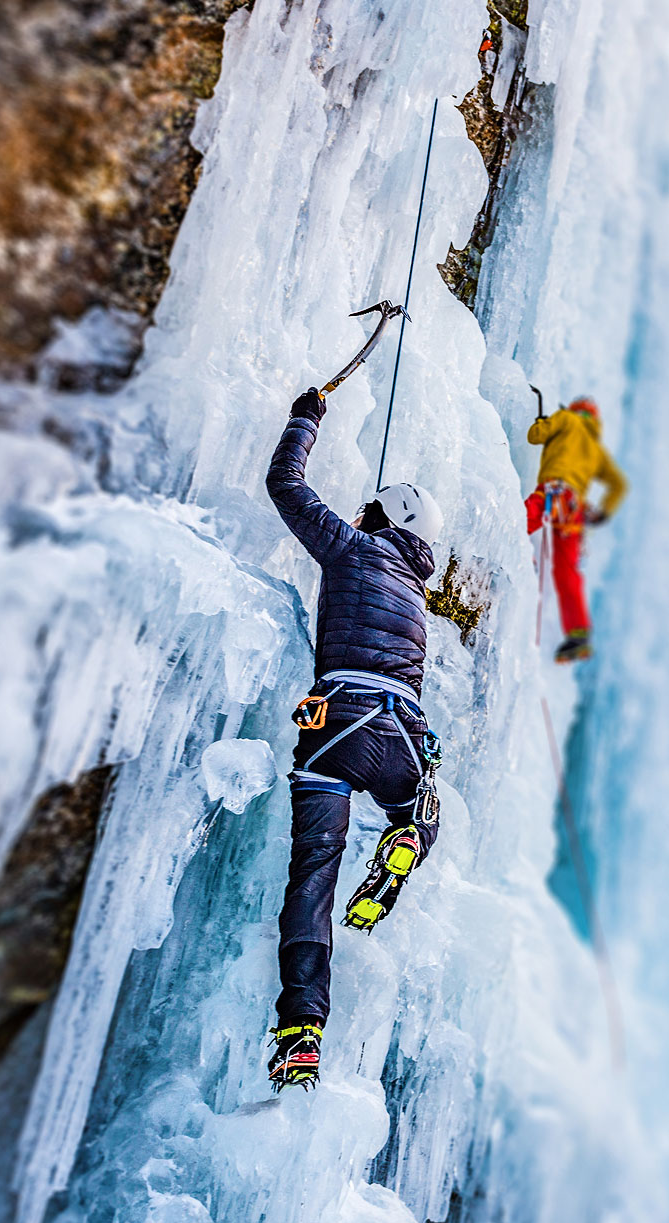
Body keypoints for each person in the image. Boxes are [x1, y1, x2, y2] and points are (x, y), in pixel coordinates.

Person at [263, 386, 445, 1091]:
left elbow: (286, 485)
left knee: (313, 874)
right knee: (421, 807)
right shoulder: (418, 593)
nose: (360, 512)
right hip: (401, 732)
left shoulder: (350, 546)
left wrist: (306, 416)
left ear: (384, 516)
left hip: (337, 726)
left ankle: (301, 1030)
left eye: (372, 507)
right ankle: (407, 842)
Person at [526, 396, 628, 663]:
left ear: (576, 411)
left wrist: (542, 422)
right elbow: (618, 484)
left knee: (518, 522)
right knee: (567, 571)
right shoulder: (596, 450)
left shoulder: (566, 419)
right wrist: (603, 512)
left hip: (553, 493)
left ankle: (498, 555)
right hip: (574, 512)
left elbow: (535, 436)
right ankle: (579, 634)